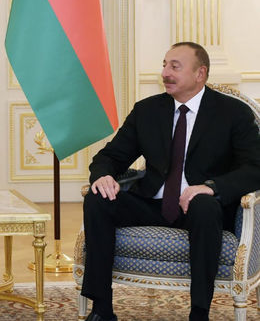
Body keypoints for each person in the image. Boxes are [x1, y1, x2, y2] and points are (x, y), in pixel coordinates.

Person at [81, 42, 260, 321]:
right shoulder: (147, 110)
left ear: (200, 73)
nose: (165, 72)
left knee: (204, 205)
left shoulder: (232, 113)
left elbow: (255, 168)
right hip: (152, 202)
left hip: (202, 210)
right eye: (164, 65)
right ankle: (101, 309)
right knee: (98, 198)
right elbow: (110, 156)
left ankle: (199, 313)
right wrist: (104, 175)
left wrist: (211, 188)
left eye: (175, 66)